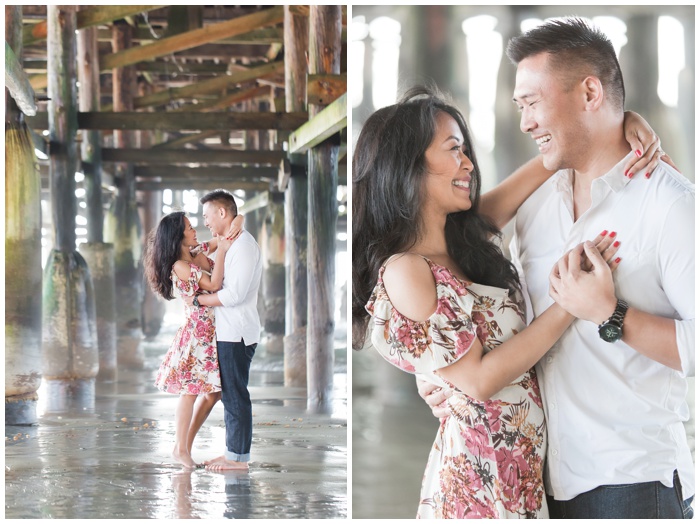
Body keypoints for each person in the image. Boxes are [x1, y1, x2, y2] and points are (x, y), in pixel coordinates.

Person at [422, 17, 694, 519]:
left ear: (590, 92)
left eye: (532, 102)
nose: (524, 122)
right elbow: (446, 255)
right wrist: (441, 372)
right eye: (519, 107)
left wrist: (612, 315)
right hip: (536, 481)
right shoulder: (536, 203)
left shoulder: (670, 205)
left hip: (631, 482)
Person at [352, 83, 662, 518]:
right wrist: (572, 301)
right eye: (454, 150)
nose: (468, 164)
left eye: (467, 152)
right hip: (478, 483)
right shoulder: (407, 269)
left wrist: (617, 125)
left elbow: (548, 164)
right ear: (408, 165)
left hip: (521, 477)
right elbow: (479, 380)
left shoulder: (465, 236)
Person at [144, 211, 243, 468]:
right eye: (189, 227)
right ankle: (181, 447)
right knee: (189, 393)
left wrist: (236, 222)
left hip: (210, 333)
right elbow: (214, 284)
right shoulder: (180, 265)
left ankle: (183, 446)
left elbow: (220, 237)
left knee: (214, 393)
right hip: (196, 336)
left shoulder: (194, 253)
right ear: (178, 235)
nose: (195, 230)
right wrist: (220, 250)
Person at [182, 189, 263, 471]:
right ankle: (233, 453)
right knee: (231, 394)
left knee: (235, 395)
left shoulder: (243, 246)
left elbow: (234, 295)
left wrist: (198, 300)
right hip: (228, 330)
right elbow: (203, 247)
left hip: (236, 332)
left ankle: (238, 459)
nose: (204, 222)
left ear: (221, 213)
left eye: (206, 216)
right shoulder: (229, 240)